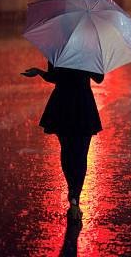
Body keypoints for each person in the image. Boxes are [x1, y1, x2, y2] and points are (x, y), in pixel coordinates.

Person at [21, 61, 104, 222]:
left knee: (67, 150)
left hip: (62, 104)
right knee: (80, 154)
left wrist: (38, 71)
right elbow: (99, 78)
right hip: (83, 103)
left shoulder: (58, 47)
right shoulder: (89, 50)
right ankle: (75, 197)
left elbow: (54, 77)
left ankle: (72, 191)